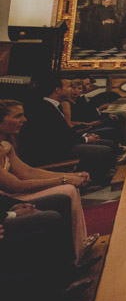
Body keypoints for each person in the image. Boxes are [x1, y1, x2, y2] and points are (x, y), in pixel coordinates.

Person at [0, 99, 95, 264]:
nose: (24, 120)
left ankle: (77, 247)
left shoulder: (5, 145)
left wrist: (72, 176)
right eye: (18, 116)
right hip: (8, 199)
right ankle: (72, 256)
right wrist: (64, 179)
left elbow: (28, 172)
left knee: (69, 188)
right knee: (67, 190)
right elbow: (16, 185)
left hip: (15, 193)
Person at [17, 76, 118, 186]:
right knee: (105, 150)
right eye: (68, 86)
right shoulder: (45, 107)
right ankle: (94, 180)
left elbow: (64, 132)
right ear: (58, 90)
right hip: (53, 151)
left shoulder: (53, 105)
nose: (70, 89)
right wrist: (86, 139)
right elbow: (59, 137)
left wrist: (86, 135)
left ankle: (100, 174)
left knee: (109, 144)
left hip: (61, 145)